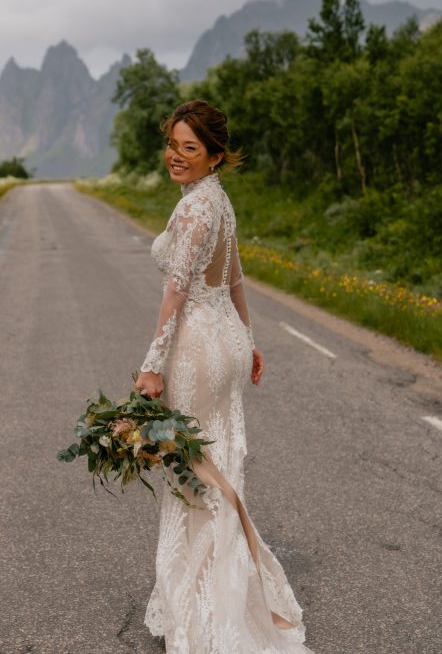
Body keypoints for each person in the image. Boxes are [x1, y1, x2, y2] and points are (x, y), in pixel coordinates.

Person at [133, 100, 313, 653]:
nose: (176, 156)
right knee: (218, 460)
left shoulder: (194, 211)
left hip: (201, 349)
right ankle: (227, 588)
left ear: (214, 156)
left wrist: (150, 366)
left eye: (191, 148)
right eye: (173, 144)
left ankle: (212, 609)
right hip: (226, 341)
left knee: (196, 469)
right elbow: (234, 281)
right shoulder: (218, 202)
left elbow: (177, 291)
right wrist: (250, 339)